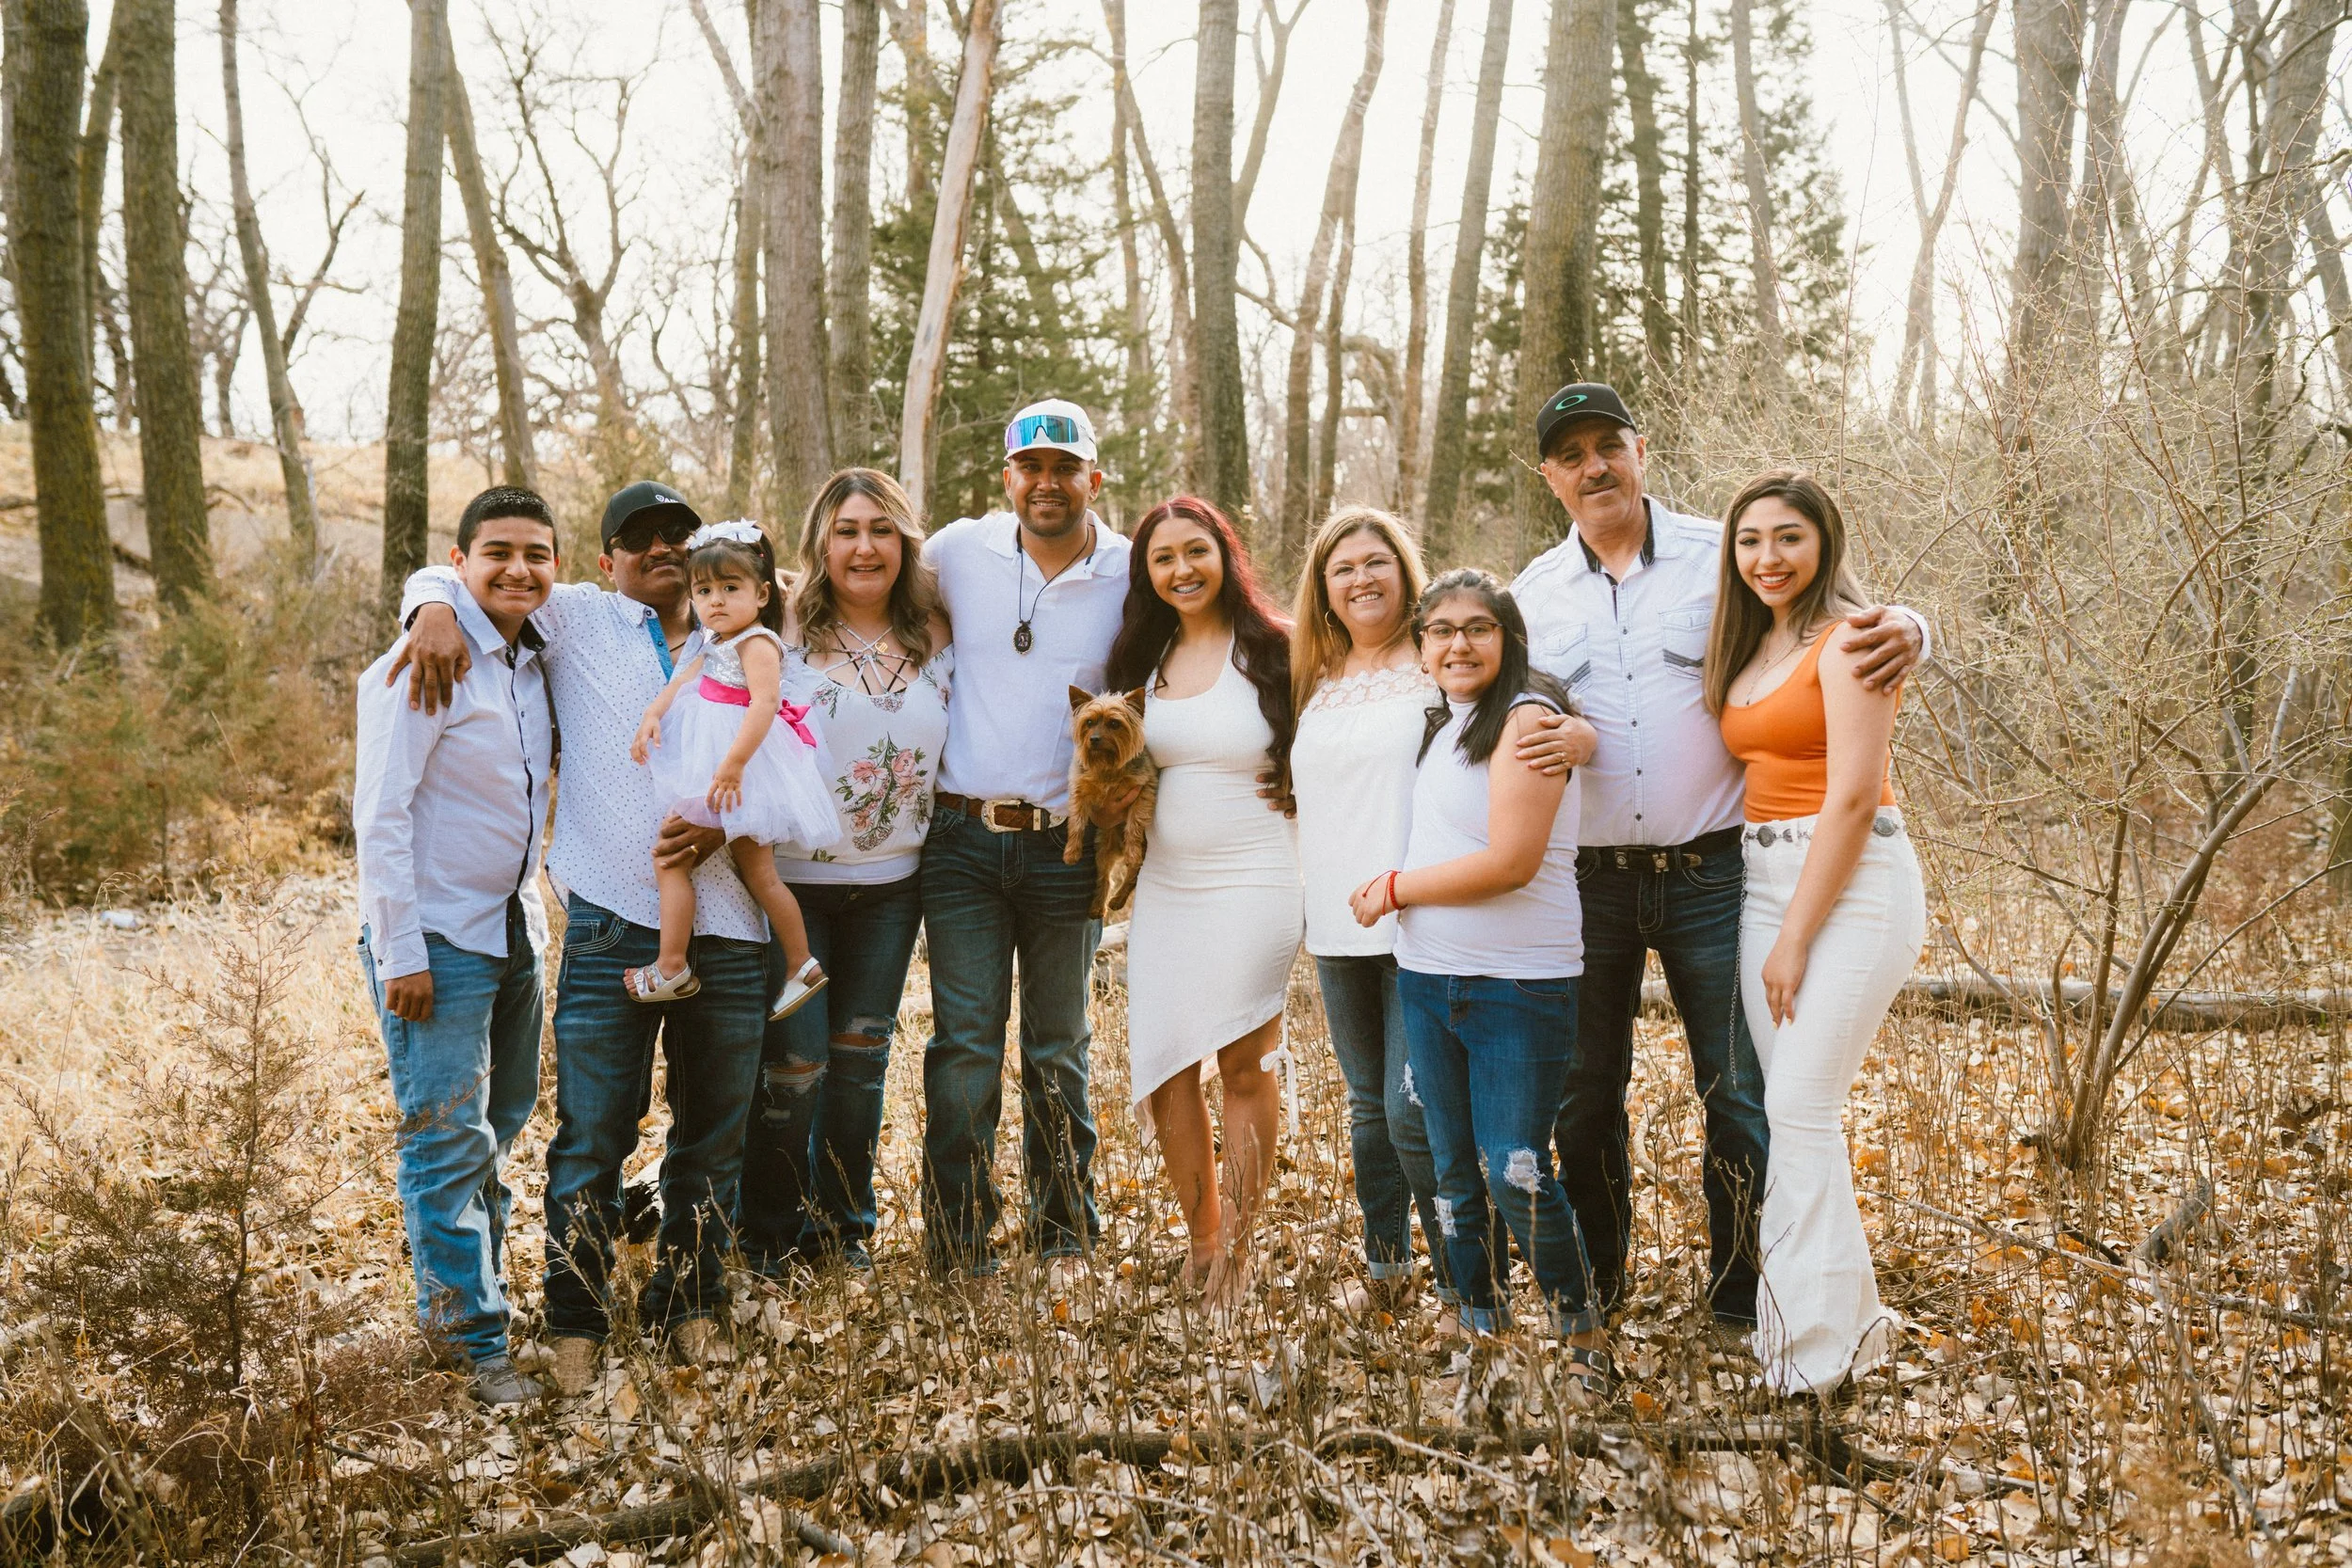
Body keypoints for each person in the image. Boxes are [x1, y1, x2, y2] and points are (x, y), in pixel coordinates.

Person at [1511, 382, 1927, 1330]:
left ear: (1640, 449)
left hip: (1716, 871)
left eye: (1606, 446)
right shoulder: (1532, 592)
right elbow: (1501, 709)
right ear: (1549, 477)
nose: (1592, 467)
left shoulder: (1723, 554)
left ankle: (1743, 1298)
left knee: (1740, 1094)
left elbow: (1819, 611)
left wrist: (1914, 627)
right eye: (1569, 454)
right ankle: (1598, 1289)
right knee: (1583, 1098)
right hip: (1592, 881)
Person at [390, 480, 770, 1394]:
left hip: (732, 926)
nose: (664, 551)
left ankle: (693, 1302)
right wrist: (428, 602)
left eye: (679, 535)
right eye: (640, 541)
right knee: (592, 1133)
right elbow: (482, 579)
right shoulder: (577, 619)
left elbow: (793, 751)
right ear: (604, 561)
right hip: (607, 920)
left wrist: (731, 823)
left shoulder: (749, 626)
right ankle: (576, 1315)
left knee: (713, 1134)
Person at [1351, 570, 1608, 1391]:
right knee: (1451, 1166)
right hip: (1427, 978)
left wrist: (1395, 889)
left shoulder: (1530, 721)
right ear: (1422, 645)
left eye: (1478, 628)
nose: (1458, 644)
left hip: (1518, 985)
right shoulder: (1443, 722)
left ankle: (1582, 1330)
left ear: (1509, 637)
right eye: (1440, 630)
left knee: (1516, 1165)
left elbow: (1510, 863)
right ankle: (1479, 1327)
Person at [1707, 470, 1926, 1399]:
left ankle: (1809, 1359)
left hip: (1854, 884)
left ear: (1823, 542)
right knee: (1797, 1120)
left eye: (1787, 537)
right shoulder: (1749, 643)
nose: (1767, 556)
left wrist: (1793, 938)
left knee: (1794, 1109)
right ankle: (1852, 1326)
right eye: (1750, 539)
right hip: (1764, 876)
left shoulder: (1853, 641)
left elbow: (1849, 797)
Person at [355, 486, 558, 1406]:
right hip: (436, 931)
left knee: (500, 1121)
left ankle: (470, 1297)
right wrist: (400, 949)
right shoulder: (422, 660)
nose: (519, 567)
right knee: (443, 1134)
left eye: (537, 552)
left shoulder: (533, 661)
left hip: (514, 923)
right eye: (498, 551)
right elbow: (381, 813)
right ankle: (469, 1343)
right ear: (460, 559)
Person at [921, 400, 1128, 1277]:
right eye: (1029, 468)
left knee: (1058, 1044)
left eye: (1064, 466)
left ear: (1094, 477)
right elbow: (836, 577)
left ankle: (1064, 1235)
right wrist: (437, 590)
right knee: (964, 1043)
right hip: (962, 839)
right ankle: (959, 1240)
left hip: (1065, 846)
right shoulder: (955, 551)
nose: (1047, 483)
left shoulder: (1129, 570)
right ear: (1006, 479)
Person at [739, 468, 951, 1274]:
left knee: (862, 1059)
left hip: (893, 889)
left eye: (881, 530)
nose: (865, 546)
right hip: (791, 886)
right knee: (795, 1063)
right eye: (847, 530)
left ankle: (843, 1231)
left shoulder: (938, 627)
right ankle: (766, 1234)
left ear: (905, 542)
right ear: (821, 543)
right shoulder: (782, 624)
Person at [1104, 496, 1300, 1307]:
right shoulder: (1139, 662)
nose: (1182, 569)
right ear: (1147, 574)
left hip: (1257, 876)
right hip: (1169, 887)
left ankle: (1240, 1250)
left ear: (1225, 555)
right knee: (1165, 1064)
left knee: (1244, 1062)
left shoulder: (1276, 650)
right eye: (1163, 558)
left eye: (1197, 551)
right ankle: (1204, 1238)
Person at [1286, 506, 1451, 1309]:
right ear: (1323, 587)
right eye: (1343, 568)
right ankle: (1387, 1269)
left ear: (1405, 570)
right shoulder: (1308, 680)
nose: (1361, 579)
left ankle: (1463, 1276)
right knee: (1366, 1107)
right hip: (1333, 921)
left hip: (1422, 914)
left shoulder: (1439, 663)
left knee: (1410, 1109)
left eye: (1376, 562)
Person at [629, 521, 839, 1016]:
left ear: (762, 593)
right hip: (720, 761)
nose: (716, 601)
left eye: (730, 588)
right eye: (704, 590)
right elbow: (682, 683)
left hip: (737, 764)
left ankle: (672, 966)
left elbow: (765, 704)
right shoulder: (715, 641)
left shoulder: (758, 643)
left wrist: (733, 765)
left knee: (672, 858)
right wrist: (652, 716)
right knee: (758, 872)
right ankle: (802, 963)